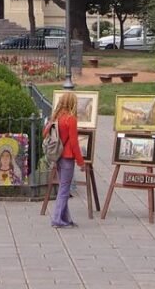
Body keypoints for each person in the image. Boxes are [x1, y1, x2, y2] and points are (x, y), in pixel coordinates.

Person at [44, 91, 85, 228]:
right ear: (72, 104)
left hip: (58, 156)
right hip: (67, 157)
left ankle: (66, 218)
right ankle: (57, 219)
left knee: (63, 187)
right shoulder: (70, 119)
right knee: (64, 190)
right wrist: (81, 162)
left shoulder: (56, 117)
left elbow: (45, 133)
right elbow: (74, 143)